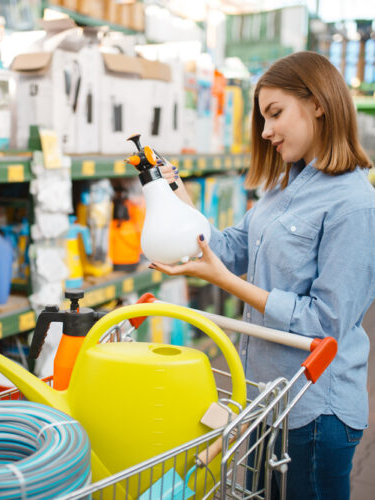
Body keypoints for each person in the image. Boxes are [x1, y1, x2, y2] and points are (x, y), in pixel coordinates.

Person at [153, 51, 375, 499]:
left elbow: (327, 323)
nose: (266, 130)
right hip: (265, 398)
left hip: (314, 411)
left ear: (317, 103)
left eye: (275, 113)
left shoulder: (354, 204)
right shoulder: (281, 187)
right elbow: (233, 248)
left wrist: (225, 282)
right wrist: (175, 200)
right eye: (263, 118)